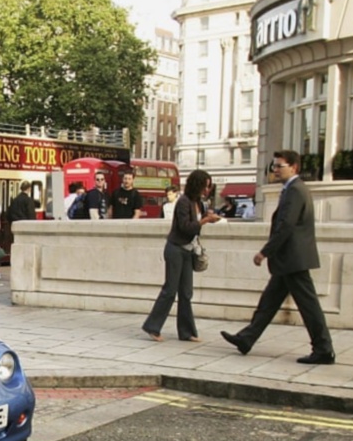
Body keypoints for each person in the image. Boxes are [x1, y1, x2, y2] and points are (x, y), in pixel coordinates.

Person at [221, 150, 335, 364]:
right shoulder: (292, 189)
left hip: (293, 259)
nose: (275, 170)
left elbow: (285, 227)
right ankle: (247, 339)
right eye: (273, 166)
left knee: (309, 307)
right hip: (289, 260)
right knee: (268, 302)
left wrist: (265, 252)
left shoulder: (295, 191)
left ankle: (323, 349)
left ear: (294, 167)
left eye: (279, 166)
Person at [142, 170, 222, 342]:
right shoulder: (183, 202)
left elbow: (194, 225)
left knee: (186, 292)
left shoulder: (198, 202)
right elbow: (186, 227)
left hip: (188, 250)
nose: (207, 190)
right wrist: (206, 221)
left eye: (209, 187)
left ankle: (187, 332)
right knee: (170, 290)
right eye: (205, 186)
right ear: (198, 184)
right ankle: (152, 326)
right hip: (175, 249)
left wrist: (207, 216)